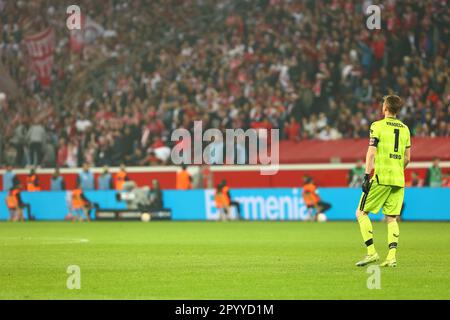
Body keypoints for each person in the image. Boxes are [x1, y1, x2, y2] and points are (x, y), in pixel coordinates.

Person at [355, 95, 411, 268]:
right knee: (392, 218)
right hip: (398, 179)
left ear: (385, 108)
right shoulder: (405, 129)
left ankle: (371, 253)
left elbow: (371, 152)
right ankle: (391, 257)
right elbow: (407, 159)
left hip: (381, 176)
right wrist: (396, 168)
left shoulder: (377, 126)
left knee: (361, 213)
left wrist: (366, 175)